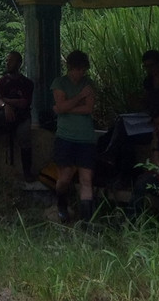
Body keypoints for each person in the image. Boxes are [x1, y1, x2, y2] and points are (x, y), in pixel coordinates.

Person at [98, 50, 159, 183]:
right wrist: (136, 102)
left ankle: (111, 155)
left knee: (125, 134)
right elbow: (146, 102)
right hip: (148, 120)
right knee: (122, 125)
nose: (149, 70)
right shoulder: (148, 81)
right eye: (146, 67)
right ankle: (121, 170)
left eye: (151, 66)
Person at [51, 50, 97, 223]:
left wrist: (65, 108)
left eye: (83, 70)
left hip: (86, 138)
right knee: (64, 178)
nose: (80, 73)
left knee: (86, 179)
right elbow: (60, 106)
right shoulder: (59, 82)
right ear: (70, 68)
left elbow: (88, 109)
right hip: (65, 136)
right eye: (77, 69)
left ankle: (86, 221)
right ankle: (61, 206)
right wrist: (79, 97)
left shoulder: (89, 83)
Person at [0, 51, 35, 182]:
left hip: (21, 117)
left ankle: (27, 173)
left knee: (24, 135)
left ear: (19, 63)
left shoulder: (27, 83)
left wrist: (5, 100)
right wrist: (5, 106)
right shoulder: (1, 81)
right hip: (1, 118)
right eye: (7, 60)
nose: (8, 63)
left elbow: (24, 103)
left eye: (11, 60)